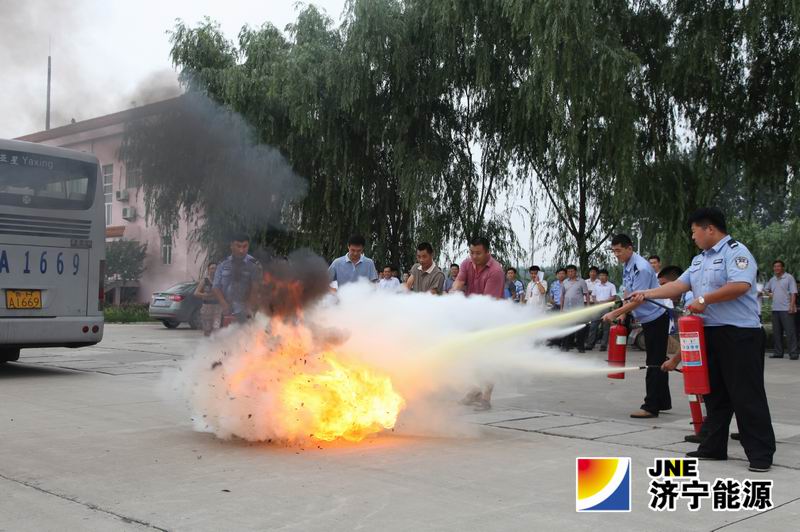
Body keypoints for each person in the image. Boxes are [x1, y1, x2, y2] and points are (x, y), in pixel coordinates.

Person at [632, 207, 775, 472]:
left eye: (694, 231)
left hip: (739, 334)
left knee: (746, 394)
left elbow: (741, 285)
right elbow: (678, 285)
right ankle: (712, 447)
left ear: (709, 229)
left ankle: (760, 454)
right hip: (709, 332)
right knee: (714, 393)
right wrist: (646, 293)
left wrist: (704, 299)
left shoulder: (736, 252)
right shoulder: (700, 260)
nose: (693, 237)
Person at [602, 234, 671, 419]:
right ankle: (663, 400)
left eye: (619, 251)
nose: (616, 255)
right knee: (658, 359)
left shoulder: (641, 268)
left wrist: (614, 313)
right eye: (614, 251)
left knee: (653, 363)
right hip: (648, 319)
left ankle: (651, 406)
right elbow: (628, 291)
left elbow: (638, 300)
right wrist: (623, 314)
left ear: (629, 248)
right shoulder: (628, 264)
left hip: (656, 318)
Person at [452, 237, 505, 410]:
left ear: (487, 252)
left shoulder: (495, 271)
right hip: (471, 317)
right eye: (471, 252)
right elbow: (459, 282)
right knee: (471, 357)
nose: (474, 256)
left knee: (488, 358)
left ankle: (486, 398)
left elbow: (487, 304)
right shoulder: (466, 264)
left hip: (491, 319)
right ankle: (474, 390)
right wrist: (451, 295)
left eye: (478, 253)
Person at [212, 233, 263, 324]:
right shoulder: (223, 263)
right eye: (238, 246)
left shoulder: (254, 265)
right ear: (231, 246)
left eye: (245, 246)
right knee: (224, 336)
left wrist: (249, 307)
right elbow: (216, 286)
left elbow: (256, 288)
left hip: (246, 310)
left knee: (244, 336)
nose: (241, 250)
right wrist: (224, 303)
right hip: (226, 309)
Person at [765, 259, 798, 360]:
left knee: (790, 332)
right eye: (775, 266)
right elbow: (766, 289)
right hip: (775, 309)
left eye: (778, 266)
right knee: (777, 332)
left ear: (782, 267)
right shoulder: (772, 279)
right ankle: (778, 353)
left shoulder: (789, 277)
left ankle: (793, 353)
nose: (776, 268)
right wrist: (769, 294)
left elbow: (793, 293)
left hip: (786, 309)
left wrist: (792, 306)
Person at [561, 265, 589, 352]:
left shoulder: (581, 281)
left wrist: (587, 306)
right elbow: (562, 295)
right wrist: (561, 308)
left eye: (572, 271)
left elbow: (586, 295)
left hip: (579, 309)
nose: (570, 273)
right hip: (567, 309)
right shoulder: (565, 282)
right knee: (567, 328)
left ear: (576, 272)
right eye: (568, 271)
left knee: (580, 328)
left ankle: (580, 347)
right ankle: (566, 346)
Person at [587, 268, 616, 350]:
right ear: (599, 276)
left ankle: (603, 345)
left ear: (607, 276)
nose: (602, 277)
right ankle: (590, 344)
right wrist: (596, 302)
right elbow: (593, 296)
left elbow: (613, 297)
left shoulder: (611, 286)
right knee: (593, 326)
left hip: (607, 308)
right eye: (600, 275)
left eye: (604, 275)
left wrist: (605, 301)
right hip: (597, 308)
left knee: (605, 327)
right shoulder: (597, 285)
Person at [194, 261, 221, 336]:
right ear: (208, 270)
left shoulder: (219, 280)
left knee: (216, 327)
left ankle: (214, 345)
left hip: (217, 307)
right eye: (212, 268)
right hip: (207, 307)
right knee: (207, 329)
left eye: (215, 268)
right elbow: (196, 293)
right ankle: (207, 344)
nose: (214, 270)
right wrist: (206, 295)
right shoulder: (204, 281)